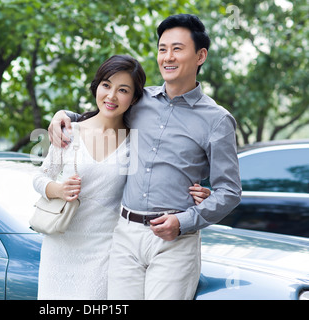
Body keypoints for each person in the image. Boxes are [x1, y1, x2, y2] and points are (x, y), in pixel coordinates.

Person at [48, 14, 242, 300]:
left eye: (177, 48)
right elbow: (105, 112)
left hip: (175, 239)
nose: (168, 57)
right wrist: (65, 116)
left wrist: (186, 220)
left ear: (200, 55)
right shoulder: (140, 101)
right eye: (163, 49)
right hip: (125, 236)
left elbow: (230, 191)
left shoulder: (217, 120)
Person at [33, 54, 210, 300]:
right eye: (106, 85)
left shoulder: (136, 141)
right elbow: (40, 178)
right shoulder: (69, 132)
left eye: (123, 90)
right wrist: (58, 189)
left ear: (135, 98)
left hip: (105, 250)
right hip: (60, 246)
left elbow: (161, 175)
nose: (111, 96)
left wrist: (199, 193)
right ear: (97, 87)